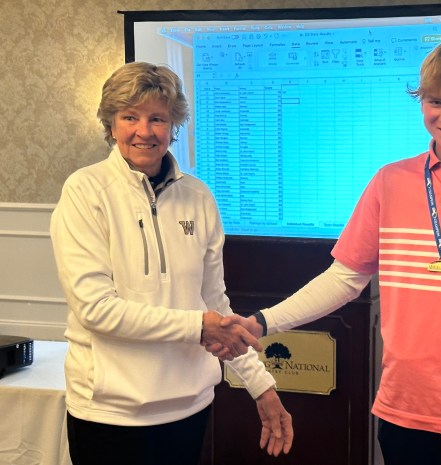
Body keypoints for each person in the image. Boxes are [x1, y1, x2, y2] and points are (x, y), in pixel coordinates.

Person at [217, 40, 441, 465]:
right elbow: (343, 279)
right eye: (435, 101)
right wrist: (262, 322)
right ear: (421, 102)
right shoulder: (391, 182)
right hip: (402, 412)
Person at [50, 61, 293, 465]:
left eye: (157, 118)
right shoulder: (85, 192)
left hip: (187, 408)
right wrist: (197, 326)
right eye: (130, 117)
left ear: (173, 126)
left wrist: (261, 387)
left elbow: (217, 307)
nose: (144, 131)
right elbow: (96, 310)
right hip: (108, 415)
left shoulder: (198, 197)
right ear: (111, 125)